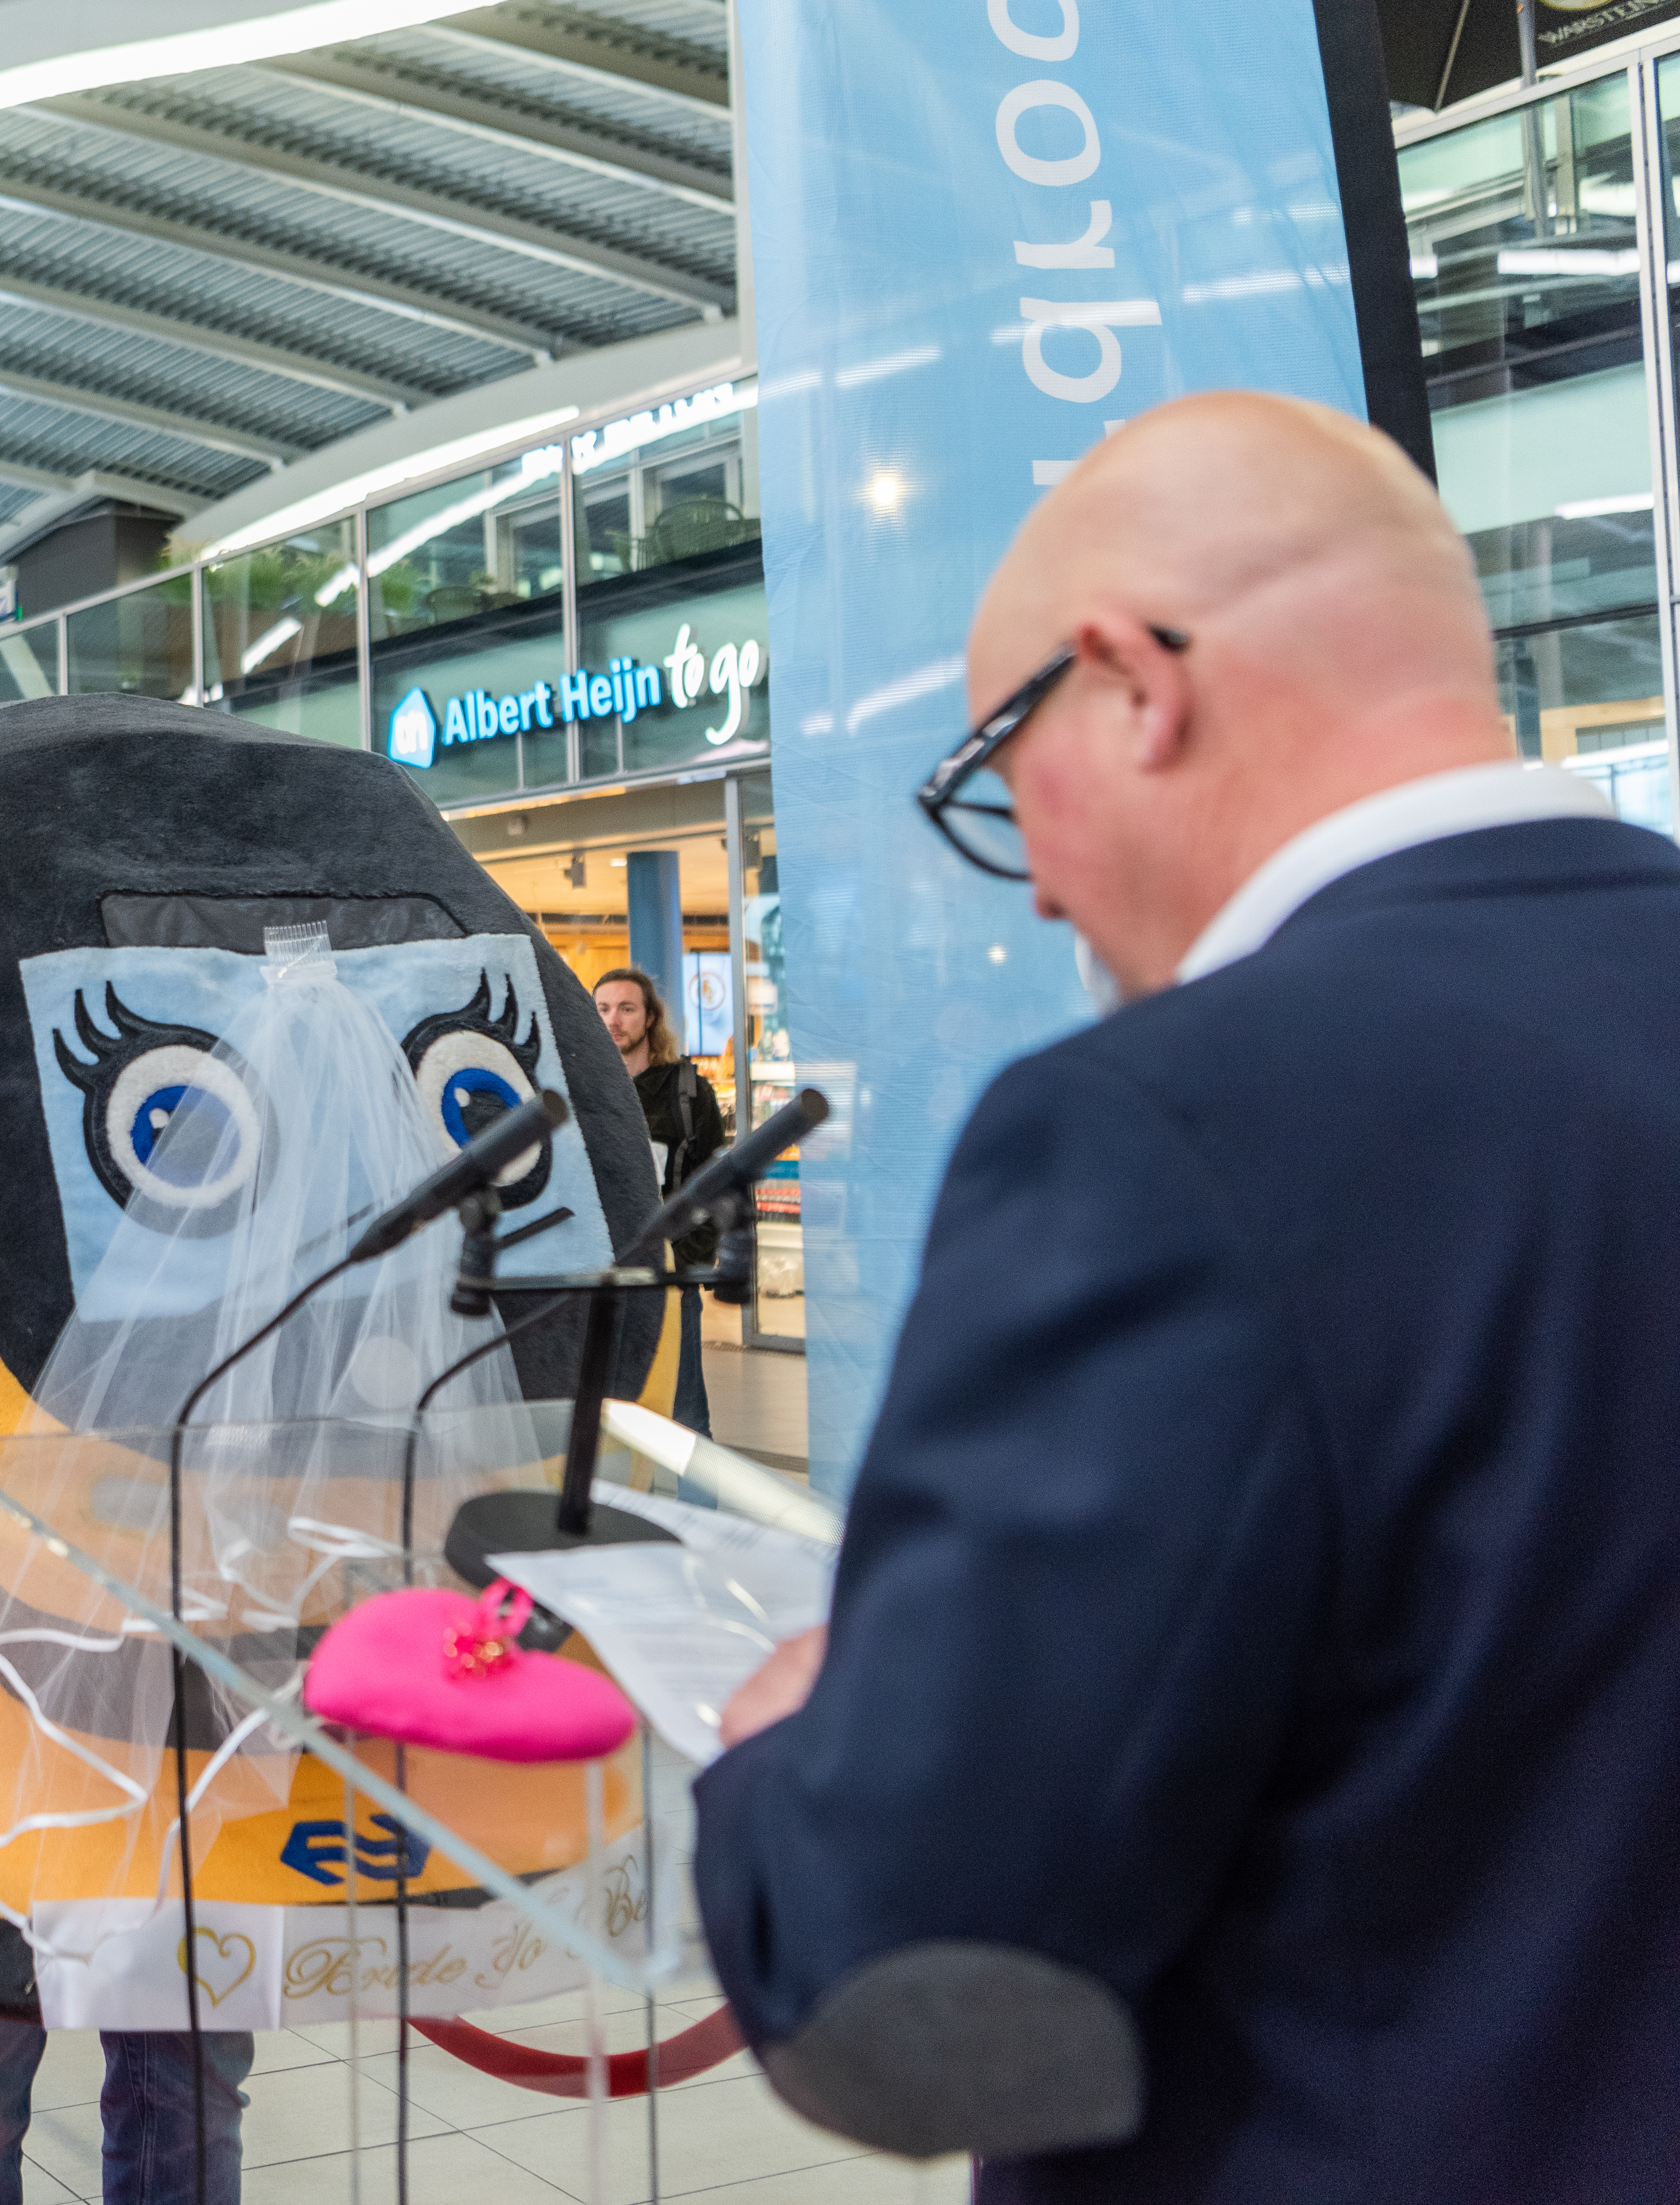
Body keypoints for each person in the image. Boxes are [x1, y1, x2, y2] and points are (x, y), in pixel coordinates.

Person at [694, 392, 1680, 2200]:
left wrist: (789, 1747)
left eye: (1001, 781)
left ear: (1133, 680)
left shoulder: (1165, 1128)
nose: (1044, 880)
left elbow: (905, 1986)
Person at [592, 965, 728, 1432]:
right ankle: (630, 1505)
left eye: (626, 1009)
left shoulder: (687, 1092)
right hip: (602, 1276)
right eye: (603, 1009)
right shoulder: (582, 1090)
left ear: (650, 1018)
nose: (614, 1020)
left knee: (686, 1412)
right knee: (616, 1413)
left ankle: (699, 1508)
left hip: (670, 1274)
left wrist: (687, 1260)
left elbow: (716, 1180)